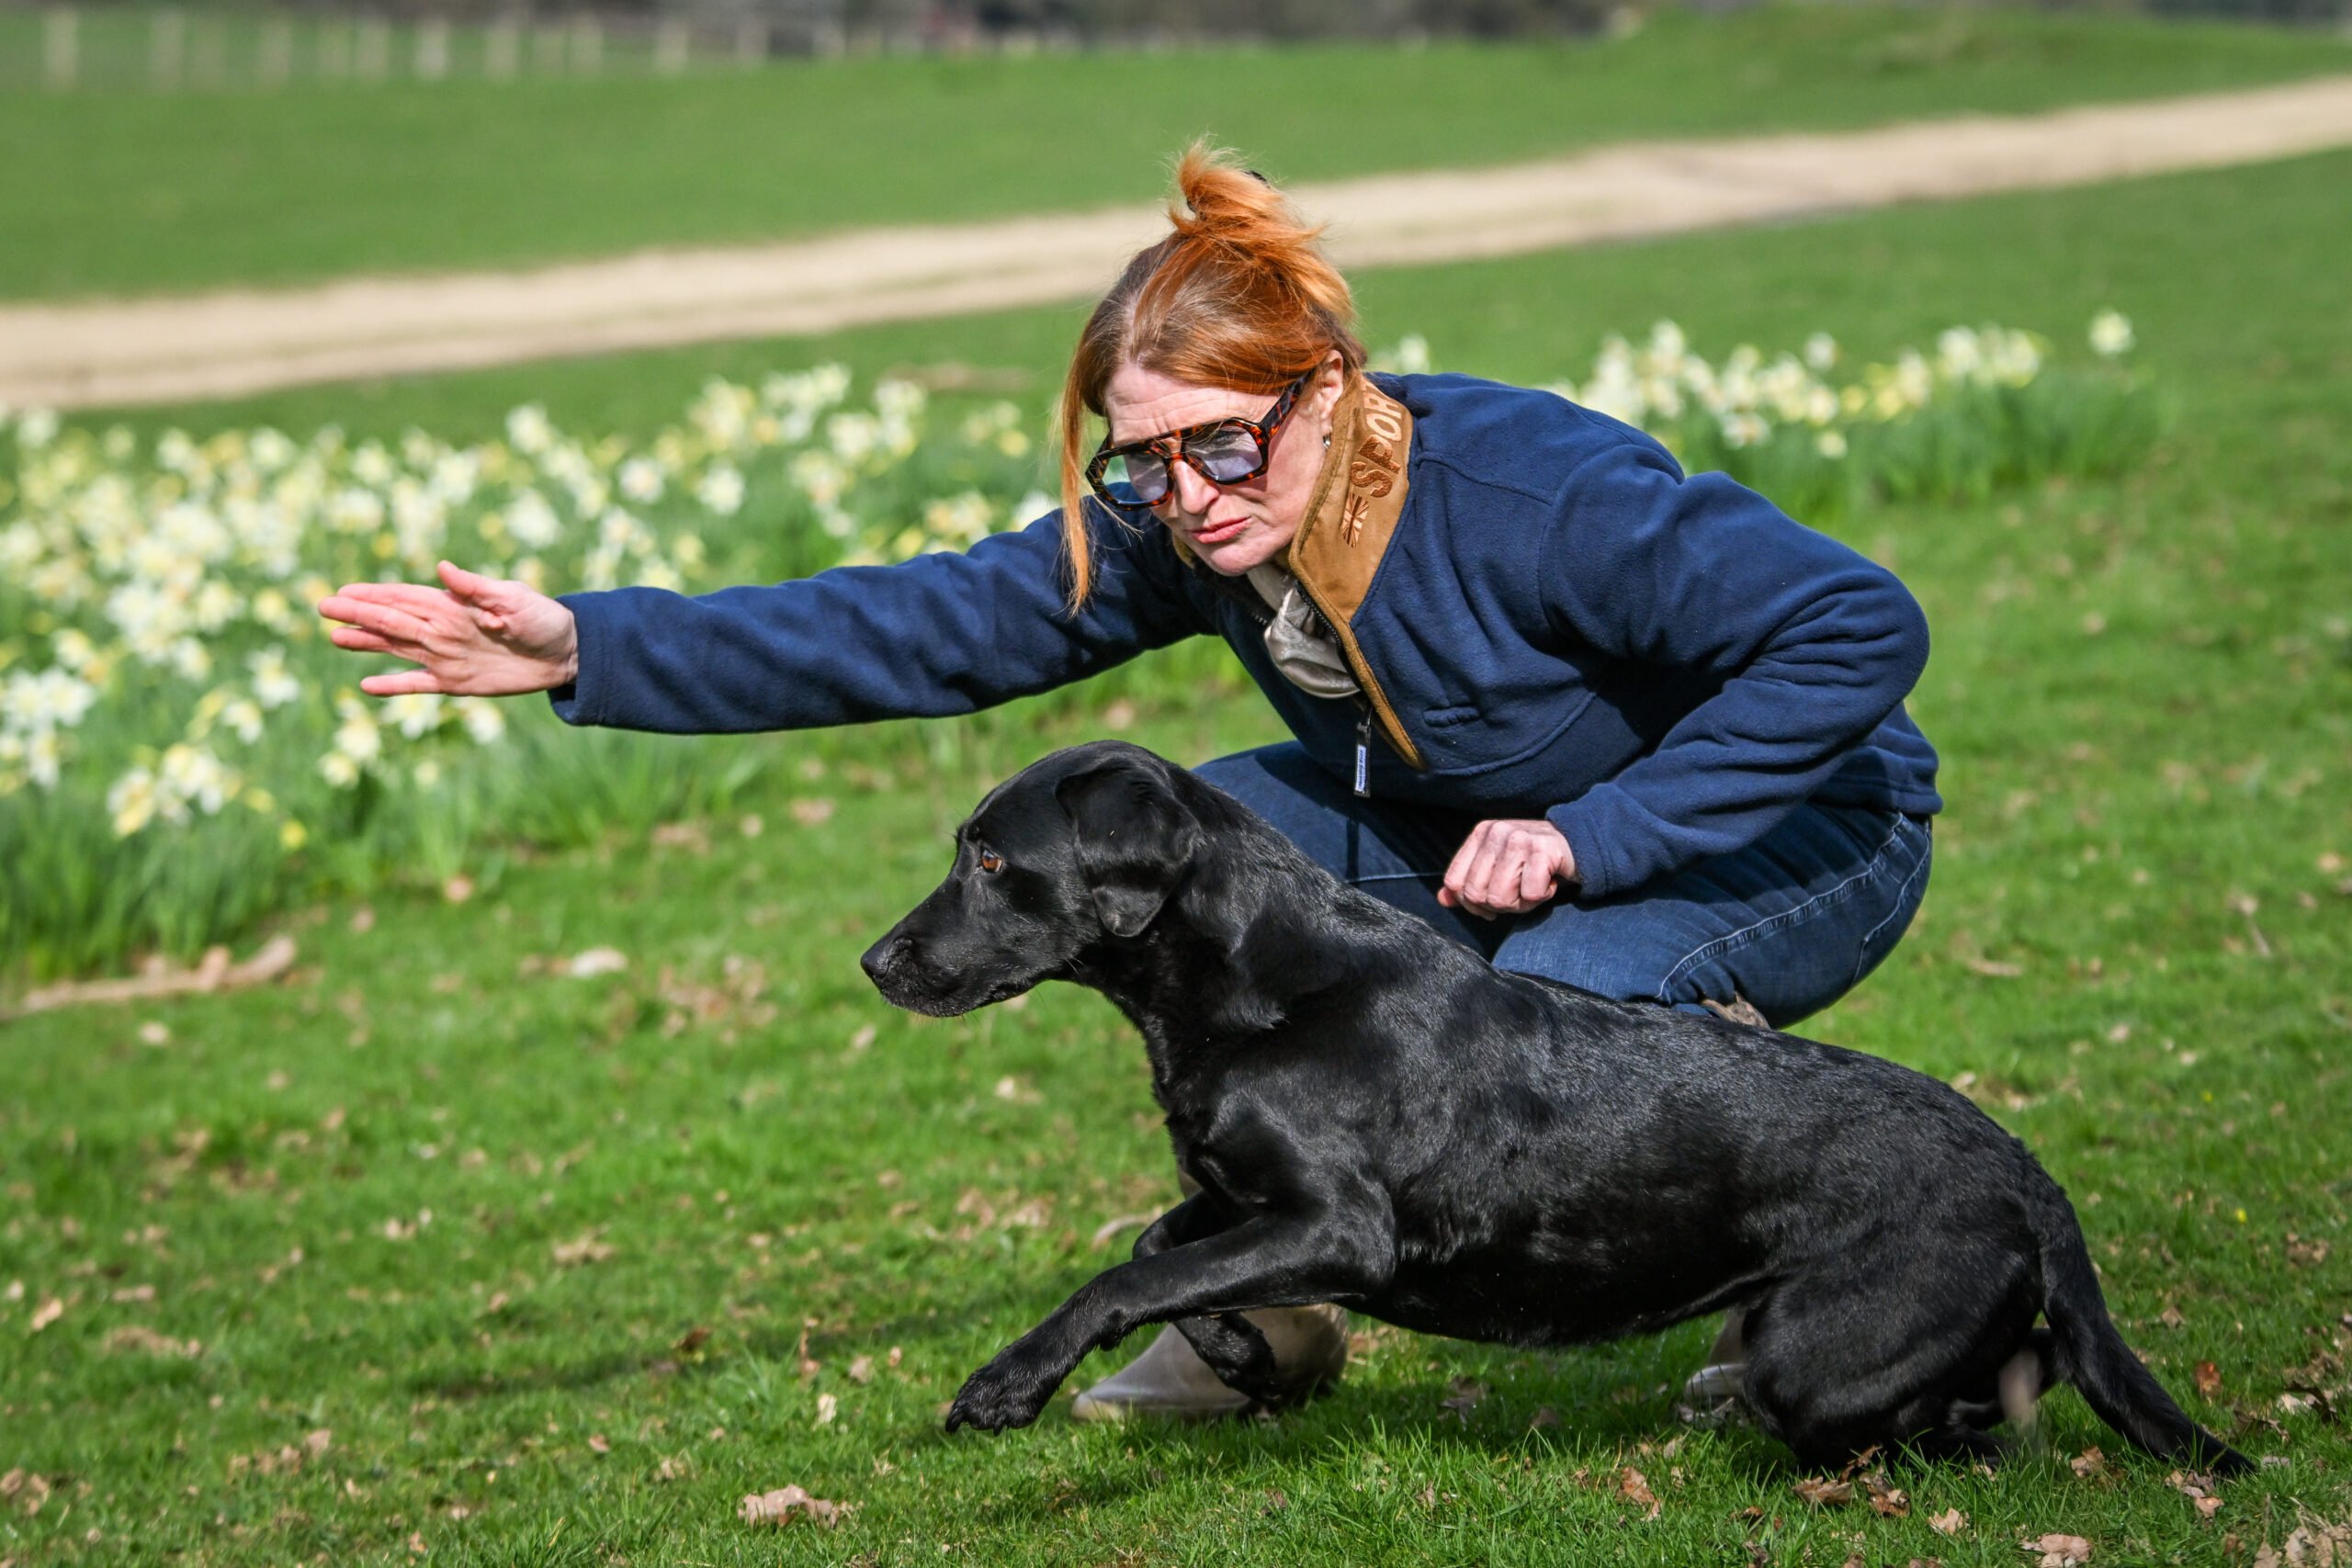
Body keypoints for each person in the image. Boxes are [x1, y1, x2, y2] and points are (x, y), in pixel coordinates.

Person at [319, 144, 1939, 1424]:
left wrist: (1606, 836)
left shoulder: (1536, 493)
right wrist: (588, 650)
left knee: (1570, 992)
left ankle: (1815, 1279)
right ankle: (1268, 1307)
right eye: (1142, 458)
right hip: (1481, 834)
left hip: (1797, 823)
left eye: (1222, 443)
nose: (1186, 493)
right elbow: (931, 626)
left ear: (1332, 386)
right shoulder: (1195, 519)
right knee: (1221, 882)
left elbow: (1857, 625)